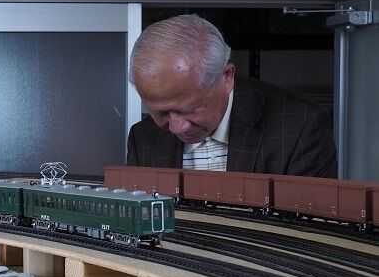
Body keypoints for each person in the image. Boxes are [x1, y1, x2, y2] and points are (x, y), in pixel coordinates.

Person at [126, 14, 338, 178]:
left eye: (188, 110)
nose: (177, 127)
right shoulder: (143, 137)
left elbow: (310, 220)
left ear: (226, 77)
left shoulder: (300, 127)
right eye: (160, 113)